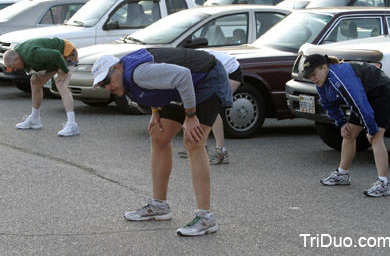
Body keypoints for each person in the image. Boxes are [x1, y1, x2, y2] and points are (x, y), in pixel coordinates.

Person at [91, 48, 232, 236]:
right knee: (159, 136)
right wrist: (155, 112)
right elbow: (155, 87)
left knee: (193, 141)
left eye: (107, 81)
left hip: (206, 80)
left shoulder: (138, 73)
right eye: (102, 85)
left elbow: (183, 75)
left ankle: (206, 218)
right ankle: (159, 206)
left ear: (117, 68)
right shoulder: (127, 77)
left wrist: (190, 116)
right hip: (180, 89)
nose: (107, 88)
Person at [302, 54, 390, 197]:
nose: (313, 78)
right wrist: (341, 123)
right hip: (365, 94)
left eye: (314, 74)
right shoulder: (322, 83)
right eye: (309, 76)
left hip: (382, 92)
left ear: (325, 68)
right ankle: (342, 174)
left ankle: (383, 184)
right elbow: (328, 104)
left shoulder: (340, 77)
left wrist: (370, 129)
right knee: (348, 133)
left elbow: (359, 103)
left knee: (376, 136)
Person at [177, 49, 244, 164]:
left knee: (211, 109)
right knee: (197, 108)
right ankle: (200, 147)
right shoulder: (183, 62)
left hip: (231, 73)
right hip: (215, 72)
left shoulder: (191, 63)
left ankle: (221, 152)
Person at [4, 38, 79, 136]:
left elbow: (56, 54)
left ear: (17, 58)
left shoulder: (32, 54)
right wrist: (34, 73)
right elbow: (29, 65)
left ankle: (72, 125)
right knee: (35, 84)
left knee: (61, 84)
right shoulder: (19, 54)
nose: (14, 69)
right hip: (53, 60)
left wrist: (64, 70)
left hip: (66, 51)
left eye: (14, 67)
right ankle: (35, 120)